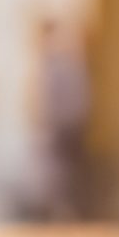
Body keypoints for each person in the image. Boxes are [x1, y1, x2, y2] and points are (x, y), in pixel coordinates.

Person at [33, 13, 90, 221]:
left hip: (62, 130)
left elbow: (65, 101)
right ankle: (57, 210)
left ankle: (60, 211)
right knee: (57, 176)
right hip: (61, 129)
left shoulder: (60, 64)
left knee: (59, 176)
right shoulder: (54, 63)